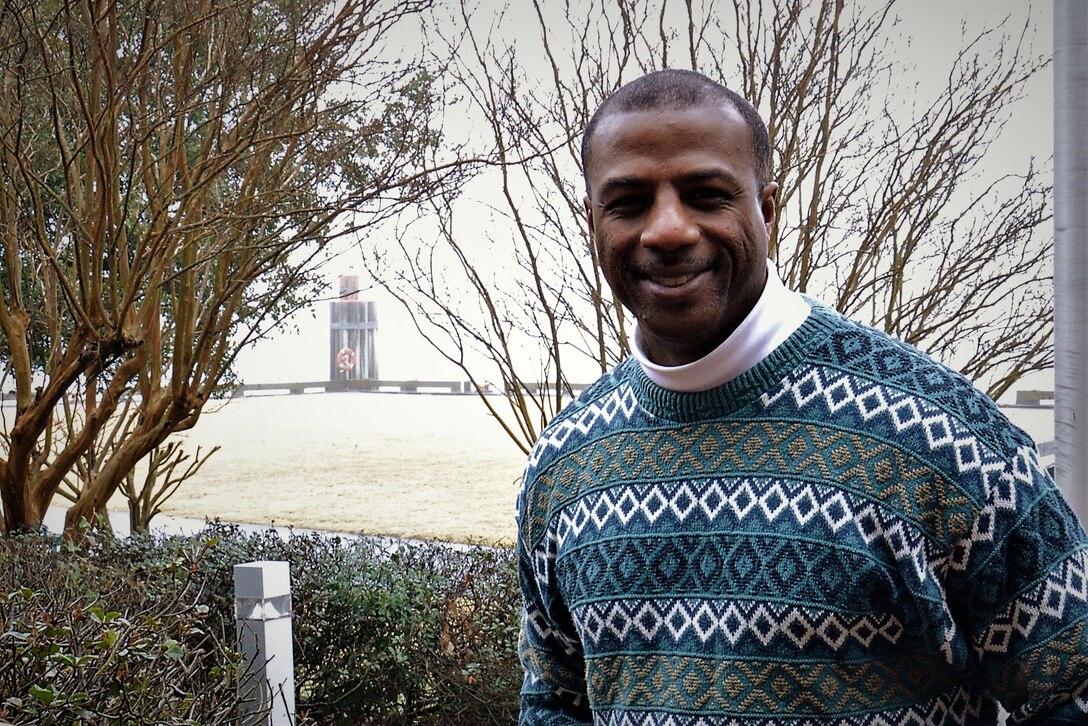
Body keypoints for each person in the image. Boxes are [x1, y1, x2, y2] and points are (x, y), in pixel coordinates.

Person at [515, 68, 1088, 725]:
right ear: (594, 221)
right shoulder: (562, 466)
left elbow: (1071, 689)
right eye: (629, 201)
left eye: (705, 194)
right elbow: (556, 702)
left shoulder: (944, 436)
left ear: (766, 209)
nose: (667, 229)